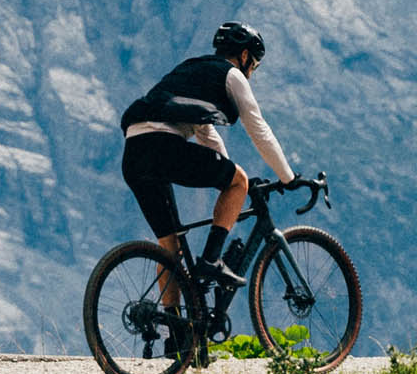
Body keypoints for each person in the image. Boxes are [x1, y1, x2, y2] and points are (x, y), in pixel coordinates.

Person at [119, 21, 295, 290]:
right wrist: (287, 177)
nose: (252, 74)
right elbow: (259, 129)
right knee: (239, 180)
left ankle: (173, 328)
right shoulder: (232, 75)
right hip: (161, 145)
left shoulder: (192, 71)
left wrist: (226, 177)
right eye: (255, 67)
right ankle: (211, 260)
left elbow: (206, 134)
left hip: (133, 152)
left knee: (169, 248)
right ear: (245, 56)